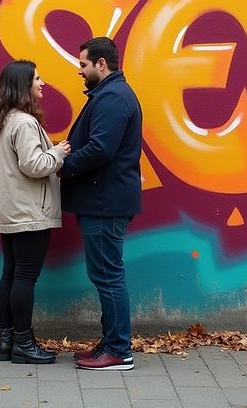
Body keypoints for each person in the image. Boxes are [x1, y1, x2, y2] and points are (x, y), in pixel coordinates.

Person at [59, 36, 142, 371]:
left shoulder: (111, 97)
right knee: (105, 274)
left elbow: (100, 149)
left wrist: (64, 166)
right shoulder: (110, 95)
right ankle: (110, 344)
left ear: (101, 64)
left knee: (108, 276)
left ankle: (119, 351)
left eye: (83, 64)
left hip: (104, 203)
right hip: (102, 201)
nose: (79, 70)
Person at [0, 60, 71, 364]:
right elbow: (33, 166)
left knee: (10, 273)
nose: (41, 83)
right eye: (37, 78)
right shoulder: (25, 123)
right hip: (29, 209)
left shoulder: (0, 120)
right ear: (23, 85)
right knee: (25, 277)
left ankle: (7, 342)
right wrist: (58, 152)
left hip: (8, 208)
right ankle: (24, 344)